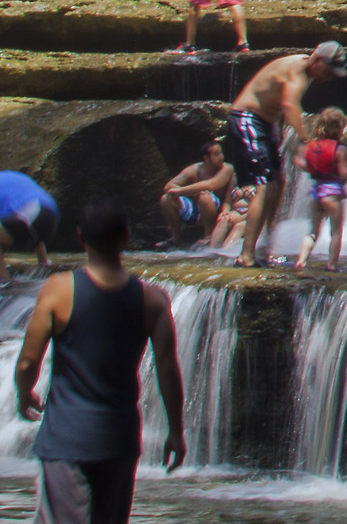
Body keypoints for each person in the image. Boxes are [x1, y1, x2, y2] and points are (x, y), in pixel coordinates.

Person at [14, 196, 184, 524]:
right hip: (119, 438)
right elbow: (167, 371)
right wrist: (175, 431)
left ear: (80, 238)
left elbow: (27, 362)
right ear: (126, 237)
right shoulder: (153, 301)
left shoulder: (59, 290)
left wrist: (24, 395)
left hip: (66, 437)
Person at [220, 41, 347, 267]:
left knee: (279, 181)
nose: (330, 76)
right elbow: (290, 105)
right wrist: (306, 140)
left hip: (265, 123)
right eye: (329, 70)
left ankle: (268, 246)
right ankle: (246, 255)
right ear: (318, 60)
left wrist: (276, 133)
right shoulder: (296, 72)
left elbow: (279, 103)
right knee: (264, 185)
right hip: (246, 118)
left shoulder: (307, 72)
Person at [294, 109, 347, 272]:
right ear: (340, 127)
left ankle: (301, 261)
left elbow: (307, 167)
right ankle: (331, 265)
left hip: (316, 193)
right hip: (332, 196)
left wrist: (298, 161)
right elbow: (344, 173)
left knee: (312, 231)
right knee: (335, 232)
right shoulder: (339, 149)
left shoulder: (312, 146)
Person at [156, 146, 230, 247]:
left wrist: (182, 191)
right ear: (206, 158)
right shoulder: (194, 169)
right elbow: (169, 186)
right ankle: (175, 237)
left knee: (205, 196)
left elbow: (210, 185)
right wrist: (192, 193)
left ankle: (208, 236)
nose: (221, 157)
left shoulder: (227, 168)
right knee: (166, 198)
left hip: (215, 212)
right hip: (195, 212)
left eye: (221, 153)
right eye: (216, 155)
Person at [0, 169, 60, 265]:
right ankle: (44, 263)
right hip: (51, 216)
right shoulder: (7, 176)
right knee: (25, 220)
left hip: (33, 214)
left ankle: (3, 278)